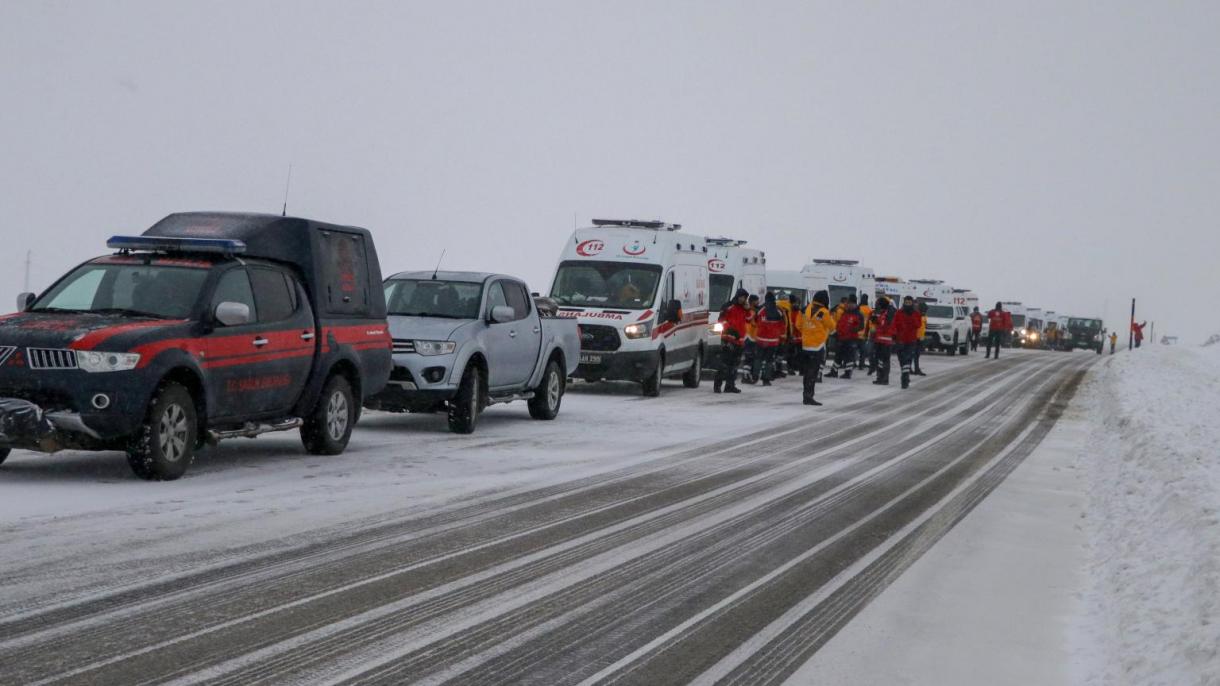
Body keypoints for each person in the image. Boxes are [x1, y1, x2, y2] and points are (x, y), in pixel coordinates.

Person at [798, 290, 835, 405]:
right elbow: (832, 326)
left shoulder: (804, 309)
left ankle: (805, 395)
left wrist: (807, 332)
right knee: (812, 372)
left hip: (805, 345)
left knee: (807, 372)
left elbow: (798, 325)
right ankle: (809, 396)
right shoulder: (823, 312)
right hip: (817, 346)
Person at [715, 289, 751, 394]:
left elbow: (749, 319)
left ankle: (730, 386)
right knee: (724, 364)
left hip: (739, 340)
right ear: (738, 296)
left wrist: (748, 310)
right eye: (742, 297)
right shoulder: (728, 306)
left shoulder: (744, 308)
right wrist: (730, 329)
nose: (743, 299)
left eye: (745, 298)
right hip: (728, 338)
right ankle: (718, 385)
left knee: (734, 365)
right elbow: (721, 320)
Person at [828, 295, 864, 379]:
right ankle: (834, 371)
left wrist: (853, 329)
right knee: (838, 355)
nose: (848, 305)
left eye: (850, 303)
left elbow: (861, 326)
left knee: (849, 356)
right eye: (848, 303)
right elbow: (841, 323)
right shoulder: (845, 312)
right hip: (841, 337)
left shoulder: (859, 314)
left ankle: (848, 373)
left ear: (854, 303)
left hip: (851, 338)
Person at [754, 292, 786, 385]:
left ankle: (755, 375)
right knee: (769, 360)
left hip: (761, 339)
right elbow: (782, 325)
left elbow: (755, 321)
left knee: (758, 358)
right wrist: (782, 337)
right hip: (773, 340)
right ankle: (766, 379)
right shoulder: (778, 311)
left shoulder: (761, 310)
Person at [893, 296, 922, 388]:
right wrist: (894, 335)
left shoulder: (916, 314)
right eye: (906, 302)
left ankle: (904, 379)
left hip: (911, 340)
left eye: (910, 303)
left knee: (907, 359)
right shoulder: (899, 313)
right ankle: (905, 373)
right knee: (901, 360)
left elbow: (918, 325)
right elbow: (894, 324)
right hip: (900, 340)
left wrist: (912, 318)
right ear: (904, 302)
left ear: (912, 303)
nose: (908, 304)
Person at [870, 296, 895, 385]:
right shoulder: (885, 313)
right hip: (881, 340)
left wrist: (877, 321)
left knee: (884, 360)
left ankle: (884, 378)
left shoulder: (887, 314)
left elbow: (884, 326)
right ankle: (880, 377)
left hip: (885, 341)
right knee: (880, 360)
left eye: (878, 304)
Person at [740, 294, 760, 383]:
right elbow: (754, 322)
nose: (758, 303)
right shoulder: (752, 311)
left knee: (748, 357)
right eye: (757, 301)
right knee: (749, 357)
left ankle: (746, 374)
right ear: (752, 301)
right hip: (750, 335)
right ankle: (746, 376)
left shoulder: (747, 309)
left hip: (747, 335)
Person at [856, 294, 872, 370]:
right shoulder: (869, 310)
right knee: (863, 351)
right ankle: (861, 364)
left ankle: (852, 363)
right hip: (864, 333)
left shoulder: (858, 308)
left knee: (854, 349)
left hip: (856, 332)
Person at [913, 301, 928, 376]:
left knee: (917, 354)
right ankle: (912, 369)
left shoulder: (924, 316)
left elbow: (925, 326)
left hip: (920, 338)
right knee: (912, 354)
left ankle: (916, 369)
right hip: (914, 337)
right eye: (923, 310)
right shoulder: (915, 315)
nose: (924, 312)